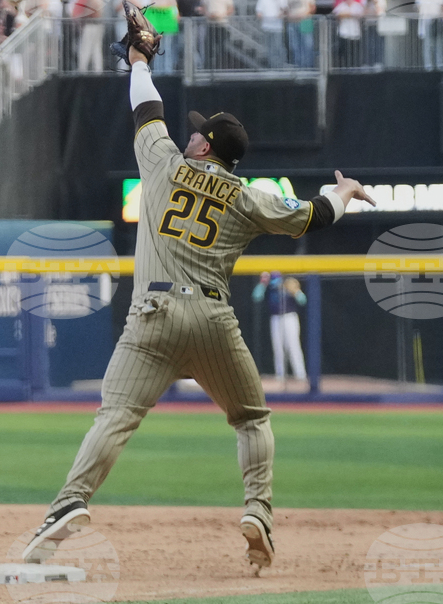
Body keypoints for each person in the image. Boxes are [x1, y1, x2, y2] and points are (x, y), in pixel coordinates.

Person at [21, 33, 376, 570]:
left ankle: (70, 502)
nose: (189, 136)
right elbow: (315, 215)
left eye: (197, 134)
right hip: (213, 319)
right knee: (252, 418)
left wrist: (140, 60)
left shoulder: (164, 163)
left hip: (152, 318)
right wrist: (344, 192)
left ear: (205, 146)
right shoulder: (248, 196)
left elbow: (147, 107)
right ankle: (257, 512)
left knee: (115, 415)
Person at [252, 271, 307, 385]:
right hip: (276, 318)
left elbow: (303, 301)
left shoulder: (288, 286)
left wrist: (296, 291)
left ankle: (300, 374)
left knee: (293, 346)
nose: (274, 282)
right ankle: (280, 375)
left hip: (290, 317)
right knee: (278, 347)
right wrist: (262, 284)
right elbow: (256, 297)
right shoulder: (270, 288)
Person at [416, 0, 443, 71]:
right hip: (426, 21)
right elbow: (418, 7)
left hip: (437, 20)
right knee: (427, 44)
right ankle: (428, 65)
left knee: (439, 43)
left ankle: (440, 64)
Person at [256, 0, 288, 68]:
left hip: (277, 27)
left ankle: (280, 65)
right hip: (266, 26)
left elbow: (285, 10)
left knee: (278, 46)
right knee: (269, 48)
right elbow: (259, 11)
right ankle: (272, 66)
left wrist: (281, 14)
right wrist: (260, 16)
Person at [286, 0, 316, 68]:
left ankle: (308, 65)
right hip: (293, 22)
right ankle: (298, 65)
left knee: (307, 44)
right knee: (295, 45)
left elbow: (312, 7)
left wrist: (303, 15)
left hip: (305, 21)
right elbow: (287, 8)